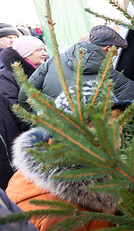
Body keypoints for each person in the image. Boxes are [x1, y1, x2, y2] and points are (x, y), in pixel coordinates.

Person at [6, 84, 120, 230]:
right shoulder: (62, 212)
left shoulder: (41, 164)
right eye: (107, 132)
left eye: (118, 128)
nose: (117, 140)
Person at [18, 25, 134, 108]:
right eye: (116, 51)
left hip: (50, 138)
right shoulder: (108, 75)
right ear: (107, 49)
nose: (115, 55)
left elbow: (25, 93)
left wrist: (49, 115)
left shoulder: (56, 59)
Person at [0, 36, 47, 105]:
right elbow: (13, 107)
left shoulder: (44, 70)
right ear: (26, 53)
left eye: (44, 49)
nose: (45, 53)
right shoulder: (6, 77)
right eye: (39, 50)